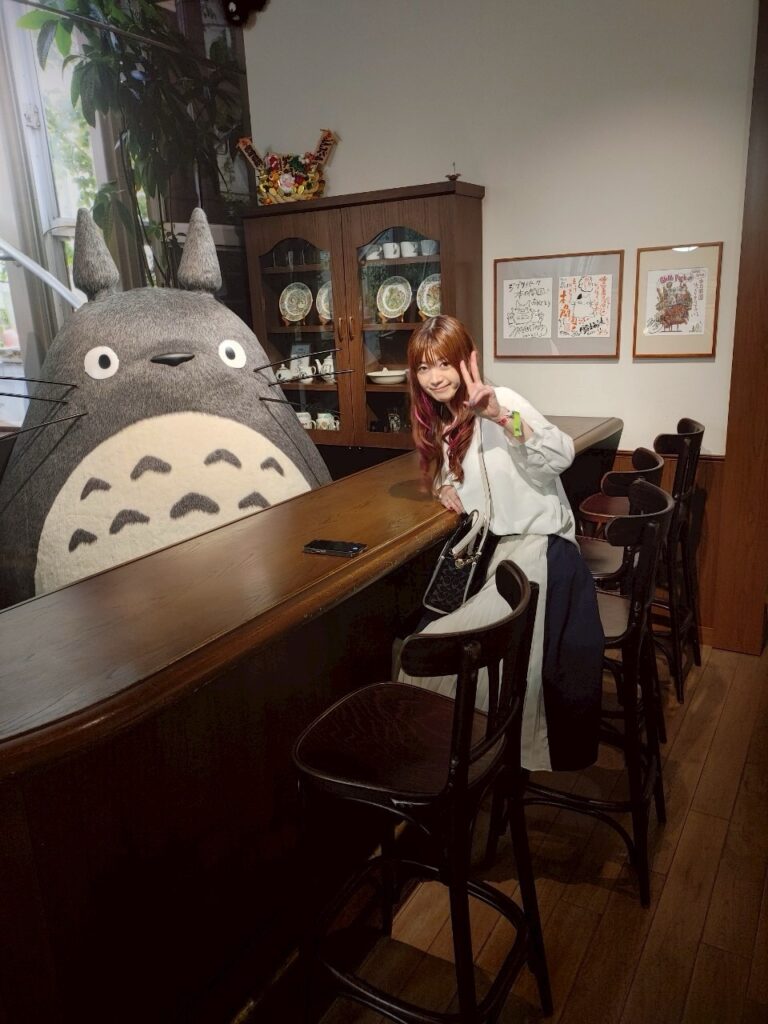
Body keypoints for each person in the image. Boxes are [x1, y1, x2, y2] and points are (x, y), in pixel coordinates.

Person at [401, 315, 604, 772]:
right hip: (500, 559)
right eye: (424, 368)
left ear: (465, 360)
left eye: (444, 363)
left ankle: (459, 766)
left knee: (427, 650)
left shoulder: (501, 402)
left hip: (542, 556)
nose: (435, 377)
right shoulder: (448, 424)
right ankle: (464, 758)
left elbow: (560, 454)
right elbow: (457, 477)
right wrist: (443, 486)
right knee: (429, 639)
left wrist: (498, 415)